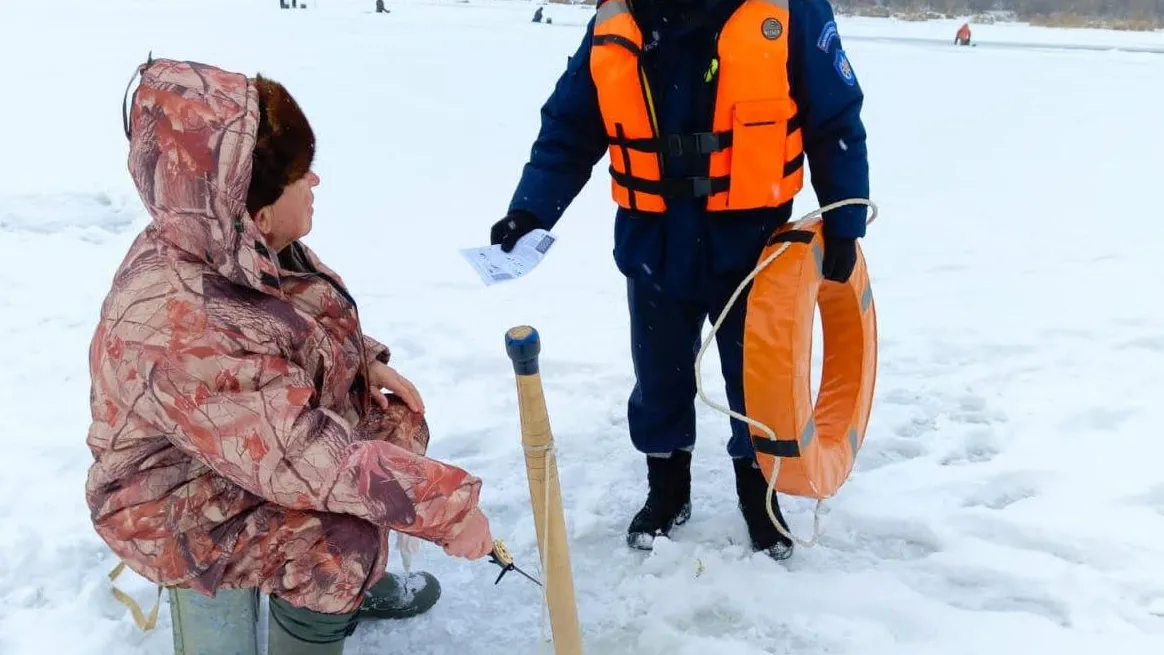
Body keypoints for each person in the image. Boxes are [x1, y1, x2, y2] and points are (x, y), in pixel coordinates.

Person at [87, 57, 493, 654]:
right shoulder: (185, 321)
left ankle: (336, 595)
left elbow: (301, 317)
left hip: (245, 447)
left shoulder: (233, 240)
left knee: (388, 423)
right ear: (255, 206)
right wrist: (447, 510)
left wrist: (367, 361)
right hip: (171, 497)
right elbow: (303, 456)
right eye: (302, 173)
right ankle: (319, 607)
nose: (316, 184)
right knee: (340, 542)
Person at [490, 0, 870, 561]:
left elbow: (834, 118)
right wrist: (530, 211)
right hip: (654, 241)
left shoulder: (792, 12)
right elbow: (570, 127)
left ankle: (757, 493)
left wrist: (844, 220)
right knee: (659, 373)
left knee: (757, 380)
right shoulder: (616, 20)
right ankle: (667, 489)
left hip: (756, 244)